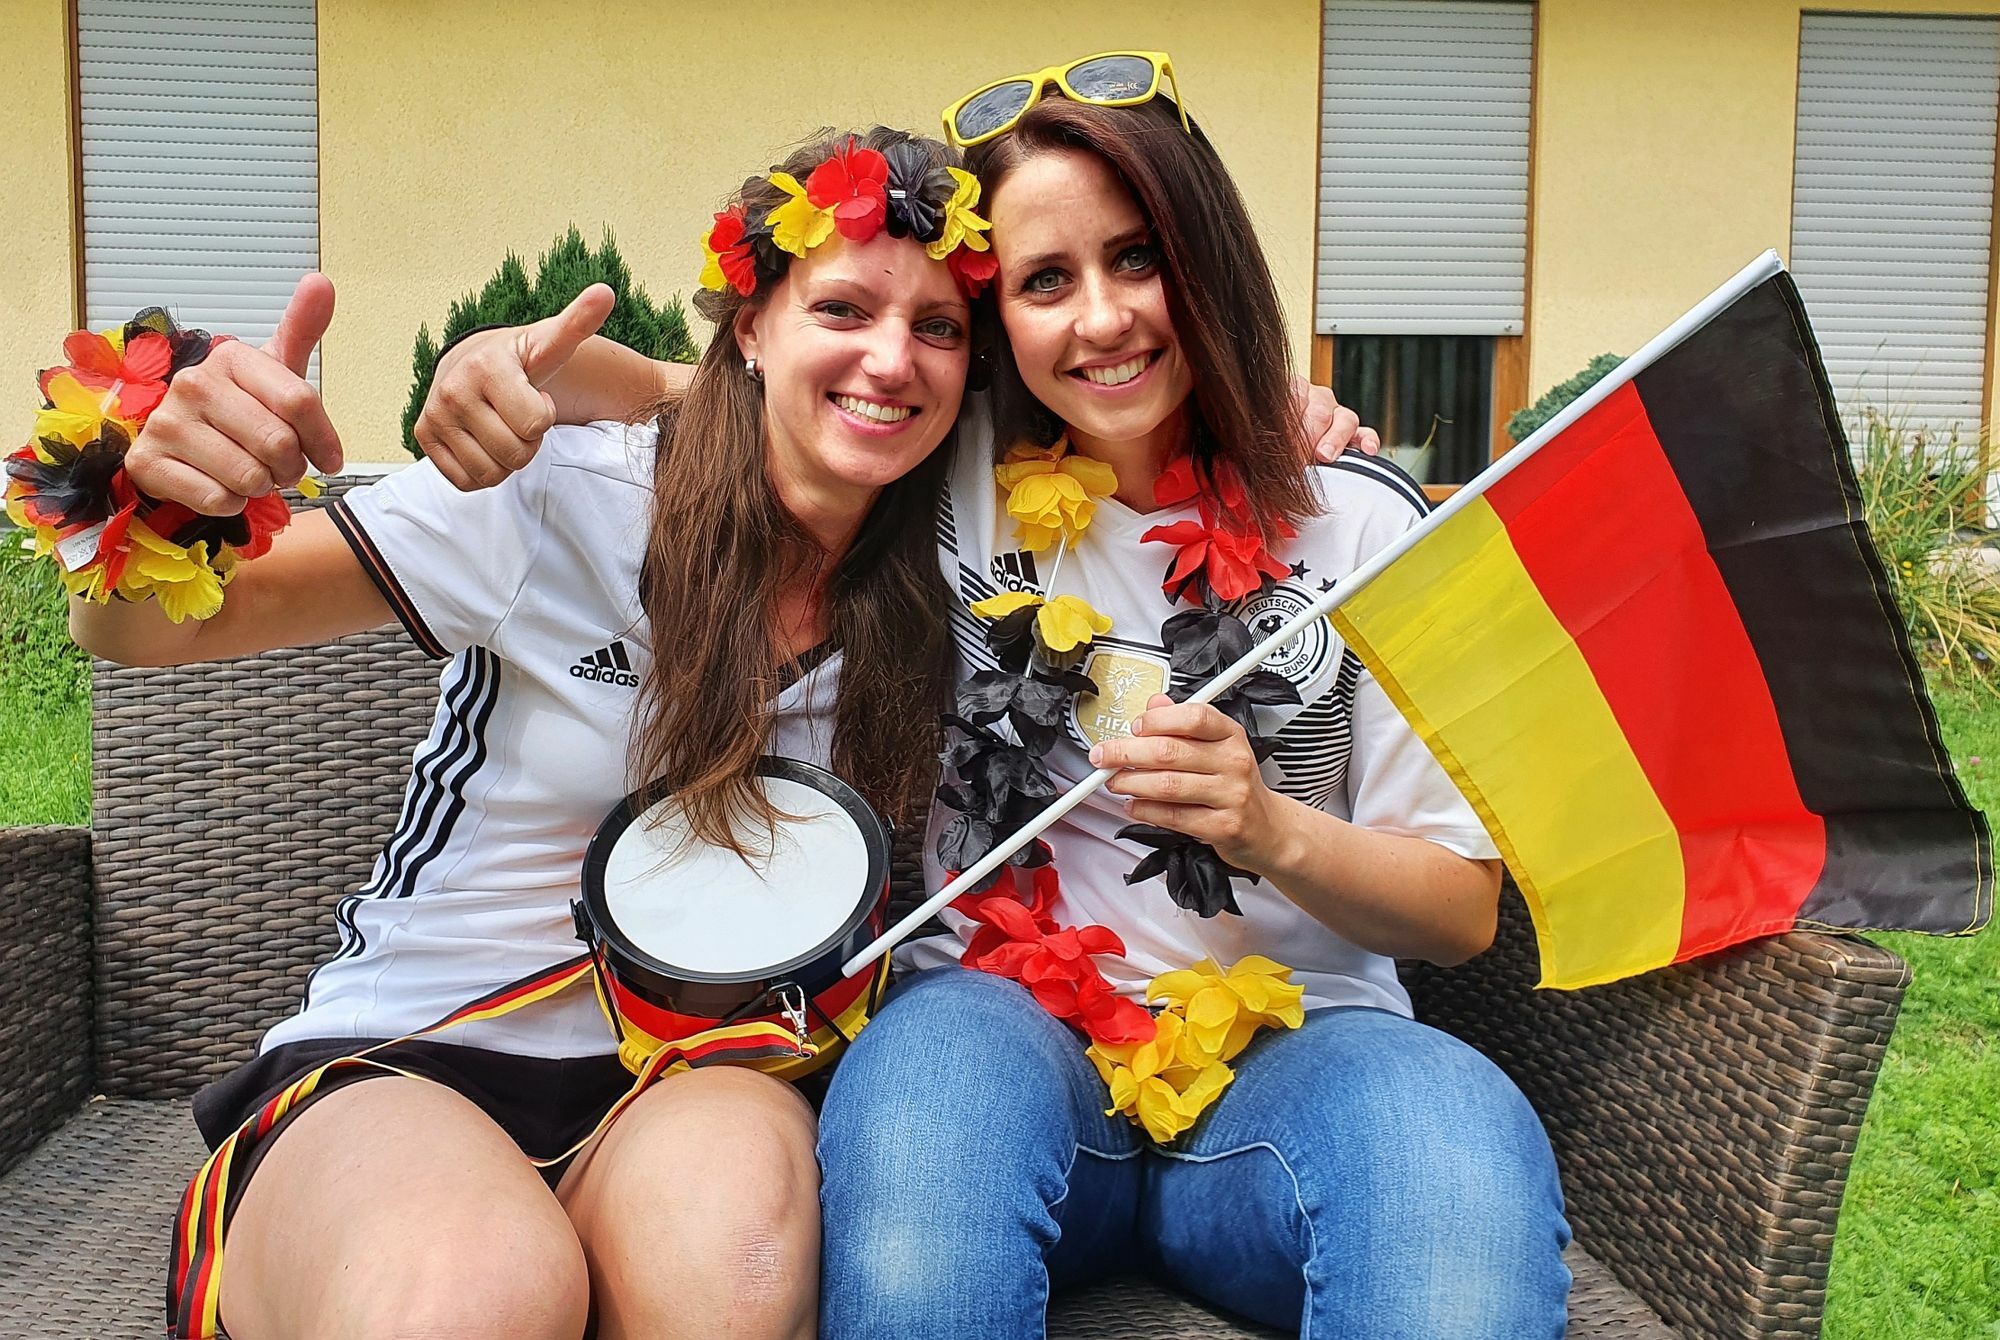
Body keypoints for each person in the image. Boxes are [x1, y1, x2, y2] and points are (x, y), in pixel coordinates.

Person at [435, 54, 1572, 1339]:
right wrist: (495, 363)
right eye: (1044, 281)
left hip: (1301, 1065)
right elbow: (710, 389)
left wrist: (1268, 829)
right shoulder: (941, 458)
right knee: (928, 1128)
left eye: (1137, 258)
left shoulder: (1366, 529)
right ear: (997, 326)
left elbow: (1458, 913)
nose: (1102, 318)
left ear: (1204, 257)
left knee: (1452, 1164)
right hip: (1001, 1029)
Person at [71, 126, 986, 1340]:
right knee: (477, 1291)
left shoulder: (973, 562)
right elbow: (141, 631)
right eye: (842, 307)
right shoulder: (568, 494)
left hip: (705, 1070)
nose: (892, 356)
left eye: (937, 326)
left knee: (739, 1264)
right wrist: (165, 496)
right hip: (422, 1047)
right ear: (749, 327)